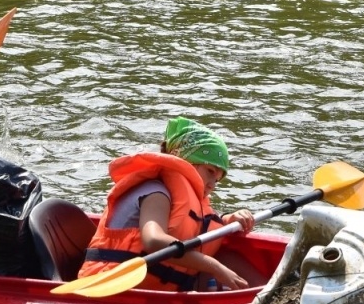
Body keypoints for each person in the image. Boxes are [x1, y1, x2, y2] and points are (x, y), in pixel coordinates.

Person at [77, 117, 257, 290]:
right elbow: (154, 241)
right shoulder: (156, 193)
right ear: (184, 160)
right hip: (112, 285)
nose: (212, 184)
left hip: (160, 286)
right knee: (220, 262)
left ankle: (272, 294)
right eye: (210, 171)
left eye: (217, 180)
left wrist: (226, 220)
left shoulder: (187, 198)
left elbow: (199, 225)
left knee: (229, 257)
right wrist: (215, 267)